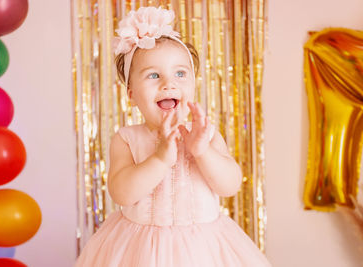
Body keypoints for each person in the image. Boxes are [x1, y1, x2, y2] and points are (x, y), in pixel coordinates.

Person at [75, 6, 272, 267]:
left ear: (192, 84)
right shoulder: (126, 139)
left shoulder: (205, 134)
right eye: (154, 75)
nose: (169, 83)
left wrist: (203, 151)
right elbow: (121, 193)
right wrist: (159, 159)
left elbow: (230, 185)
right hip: (139, 250)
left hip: (204, 249)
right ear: (131, 94)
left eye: (180, 73)